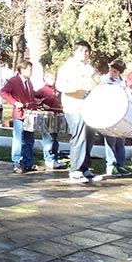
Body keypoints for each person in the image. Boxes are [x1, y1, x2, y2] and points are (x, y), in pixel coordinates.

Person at [56, 40, 102, 183]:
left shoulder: (90, 68)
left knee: (89, 137)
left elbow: (97, 83)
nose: (85, 53)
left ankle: (85, 168)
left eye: (87, 51)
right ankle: (75, 170)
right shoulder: (67, 68)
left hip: (89, 107)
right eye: (82, 50)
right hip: (74, 107)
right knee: (79, 137)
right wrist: (79, 85)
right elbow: (60, 86)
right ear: (75, 52)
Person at [0, 61, 41, 174]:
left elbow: (29, 95)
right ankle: (17, 162)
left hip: (30, 114)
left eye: (31, 69)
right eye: (29, 69)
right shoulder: (14, 81)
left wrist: (36, 100)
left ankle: (29, 163)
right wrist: (15, 102)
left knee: (29, 140)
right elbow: (3, 92)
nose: (31, 71)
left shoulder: (29, 82)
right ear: (22, 70)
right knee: (18, 139)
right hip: (19, 114)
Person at [100, 60, 131, 177]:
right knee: (110, 141)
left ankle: (120, 164)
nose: (111, 73)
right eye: (110, 70)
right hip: (109, 114)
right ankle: (111, 166)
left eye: (115, 71)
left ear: (120, 73)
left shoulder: (123, 83)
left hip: (120, 115)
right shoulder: (104, 81)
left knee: (120, 142)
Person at [35, 71, 65, 169]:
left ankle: (55, 157)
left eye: (54, 79)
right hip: (47, 117)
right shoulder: (42, 90)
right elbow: (34, 99)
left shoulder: (55, 90)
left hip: (56, 116)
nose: (53, 81)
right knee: (48, 139)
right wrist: (41, 105)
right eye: (51, 79)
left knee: (55, 139)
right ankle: (48, 158)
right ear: (45, 79)